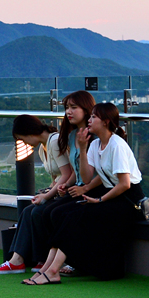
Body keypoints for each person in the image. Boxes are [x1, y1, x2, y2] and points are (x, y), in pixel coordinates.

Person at [25, 103, 142, 285]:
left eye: (94, 117)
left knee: (75, 217)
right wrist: (82, 149)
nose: (89, 120)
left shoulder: (117, 145)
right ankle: (48, 268)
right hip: (111, 195)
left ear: (105, 122)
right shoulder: (95, 144)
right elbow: (87, 177)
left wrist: (100, 200)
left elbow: (125, 184)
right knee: (63, 214)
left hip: (128, 201)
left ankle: (53, 270)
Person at [0, 115, 74, 274]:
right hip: (59, 190)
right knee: (28, 211)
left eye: (22, 138)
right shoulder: (43, 147)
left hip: (68, 190)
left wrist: (47, 196)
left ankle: (37, 259)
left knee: (37, 212)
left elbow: (67, 174)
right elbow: (56, 178)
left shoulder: (54, 141)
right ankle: (18, 259)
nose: (25, 143)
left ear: (29, 132)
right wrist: (46, 192)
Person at [27, 90, 97, 275]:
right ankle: (51, 261)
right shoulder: (72, 136)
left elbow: (99, 173)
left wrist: (84, 187)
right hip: (77, 188)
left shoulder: (94, 137)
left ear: (86, 109)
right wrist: (66, 185)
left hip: (92, 189)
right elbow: (74, 171)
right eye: (67, 108)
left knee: (56, 212)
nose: (68, 112)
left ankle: (65, 261)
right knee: (47, 211)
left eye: (74, 107)